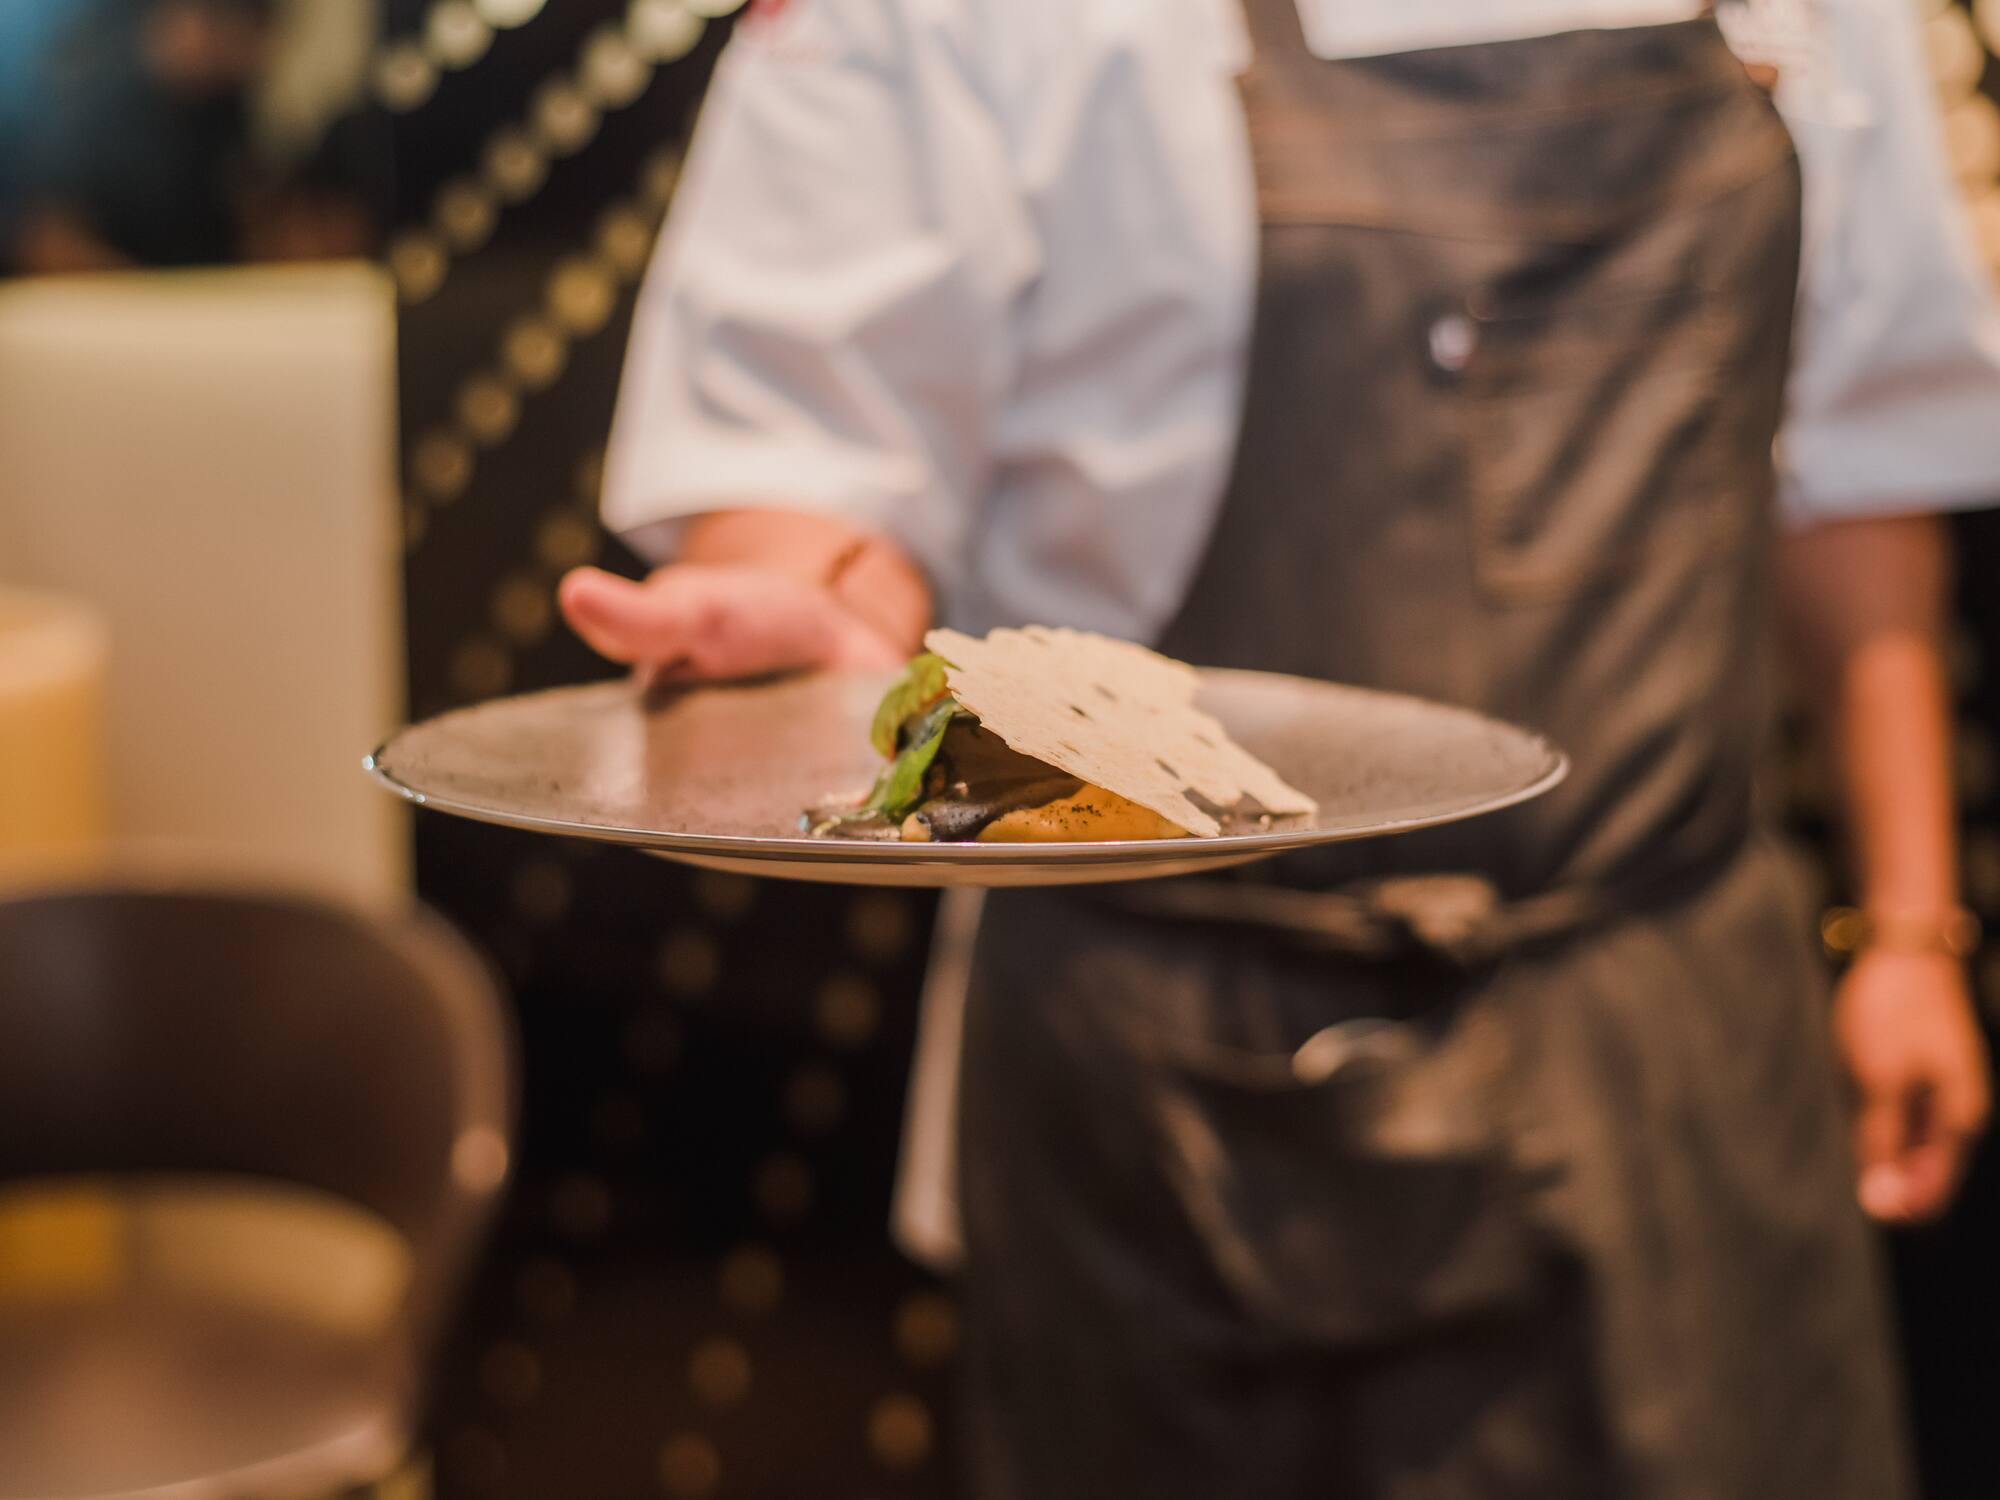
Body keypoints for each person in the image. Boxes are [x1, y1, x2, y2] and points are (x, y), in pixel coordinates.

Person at [559, 0, 2000, 1494]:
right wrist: (807, 604)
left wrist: (1910, 926)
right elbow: (818, 457)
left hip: (1666, 1012)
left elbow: (1857, 466)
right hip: (1158, 1063)